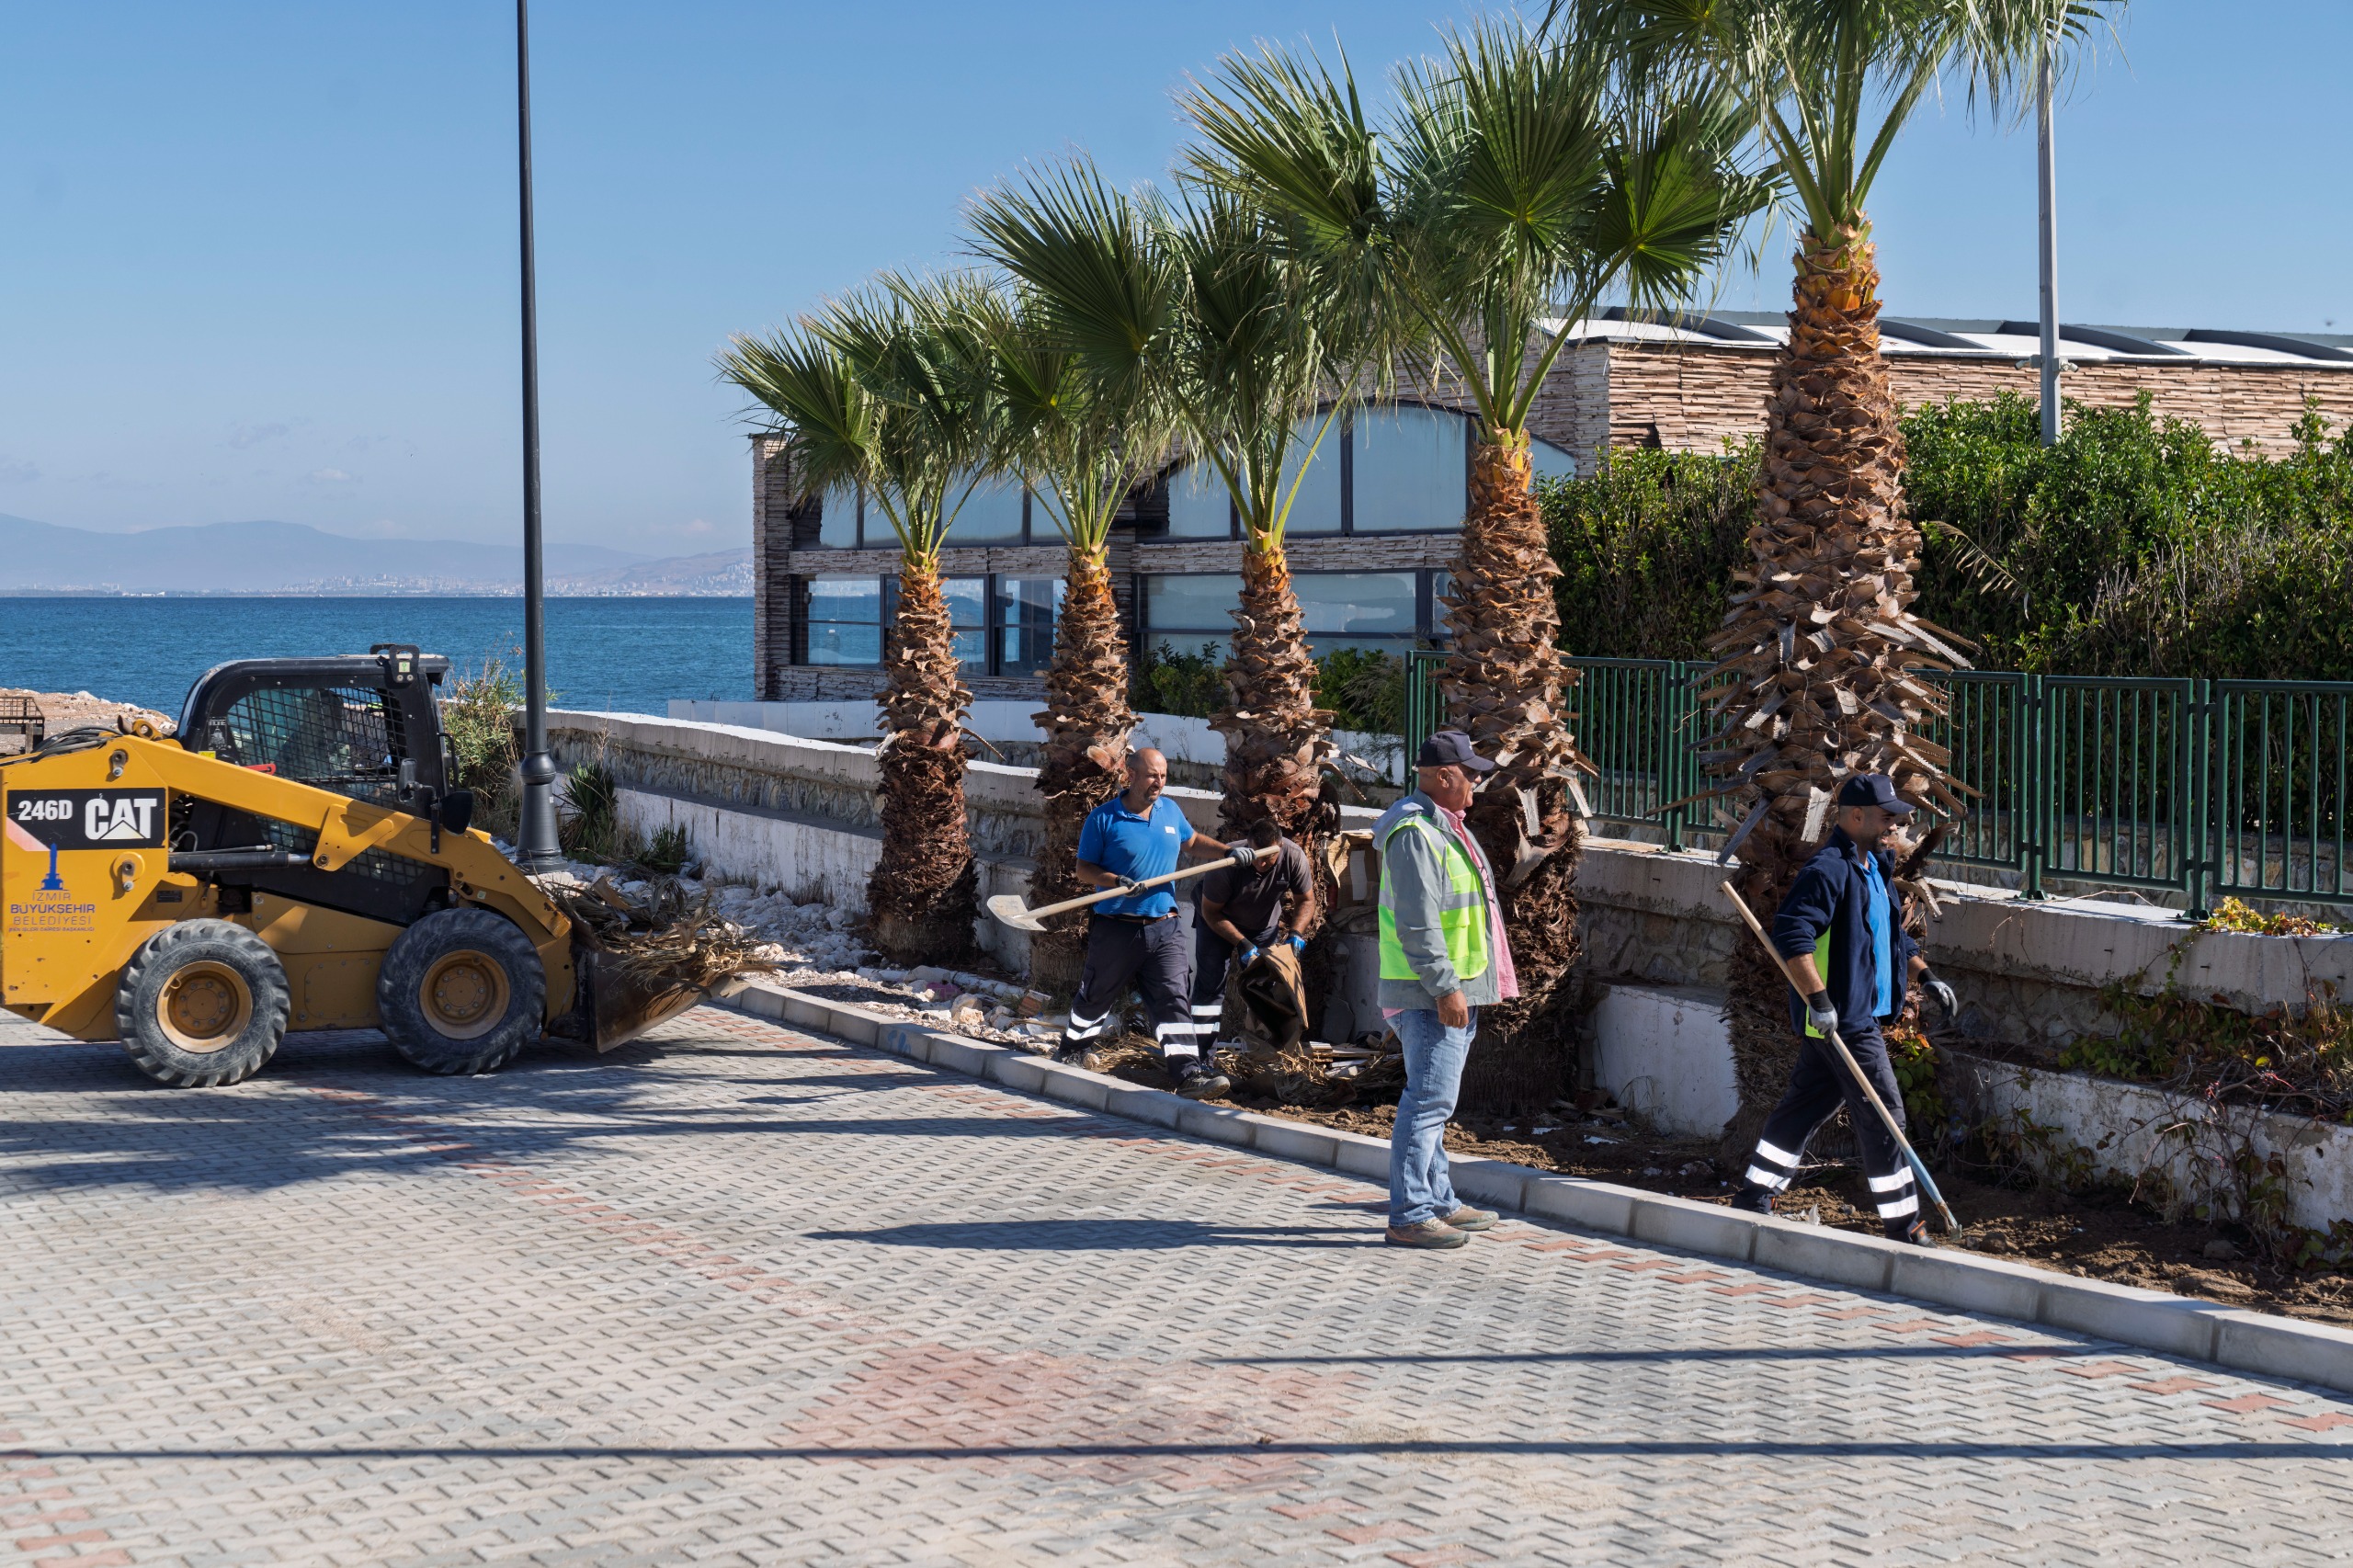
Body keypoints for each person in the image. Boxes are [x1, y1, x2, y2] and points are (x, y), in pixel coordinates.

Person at [1730, 772, 1960, 1244]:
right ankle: (1905, 1224)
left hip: (1854, 1018)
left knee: (1802, 1108)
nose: (1896, 825)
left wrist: (1925, 975)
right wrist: (1819, 1002)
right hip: (1843, 1021)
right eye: (1887, 817)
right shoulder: (1828, 870)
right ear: (1857, 817)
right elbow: (1792, 936)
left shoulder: (1875, 869)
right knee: (1886, 1117)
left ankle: (1755, 1194)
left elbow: (1890, 937)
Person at [1371, 729, 1518, 1250]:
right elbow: (1418, 923)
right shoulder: (1417, 834)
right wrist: (1444, 988)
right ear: (1442, 777)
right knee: (1428, 1103)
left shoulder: (1444, 828)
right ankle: (1409, 1213)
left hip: (1449, 990)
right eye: (1471, 775)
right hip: (1431, 995)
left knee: (1432, 1102)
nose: (1477, 785)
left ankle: (1437, 1200)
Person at [1057, 748, 1255, 1098]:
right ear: (1130, 776)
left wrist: (1227, 852)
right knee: (1096, 997)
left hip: (1164, 926)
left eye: (1163, 776)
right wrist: (1116, 880)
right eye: (1152, 775)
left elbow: (1191, 842)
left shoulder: (1170, 810)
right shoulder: (1104, 818)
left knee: (1173, 997)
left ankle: (1189, 1074)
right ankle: (1072, 1049)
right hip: (1117, 926)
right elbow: (1083, 868)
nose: (1159, 783)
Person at [1188, 817, 1315, 1061]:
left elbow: (1306, 900)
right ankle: (1201, 1057)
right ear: (1248, 844)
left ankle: (1265, 1054)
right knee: (1210, 988)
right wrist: (1242, 943)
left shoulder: (1293, 856)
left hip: (1262, 925)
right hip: (1217, 922)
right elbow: (1211, 912)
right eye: (1257, 856)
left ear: (1279, 846)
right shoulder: (1227, 863)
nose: (1262, 863)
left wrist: (1296, 934)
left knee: (1263, 989)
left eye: (1269, 858)